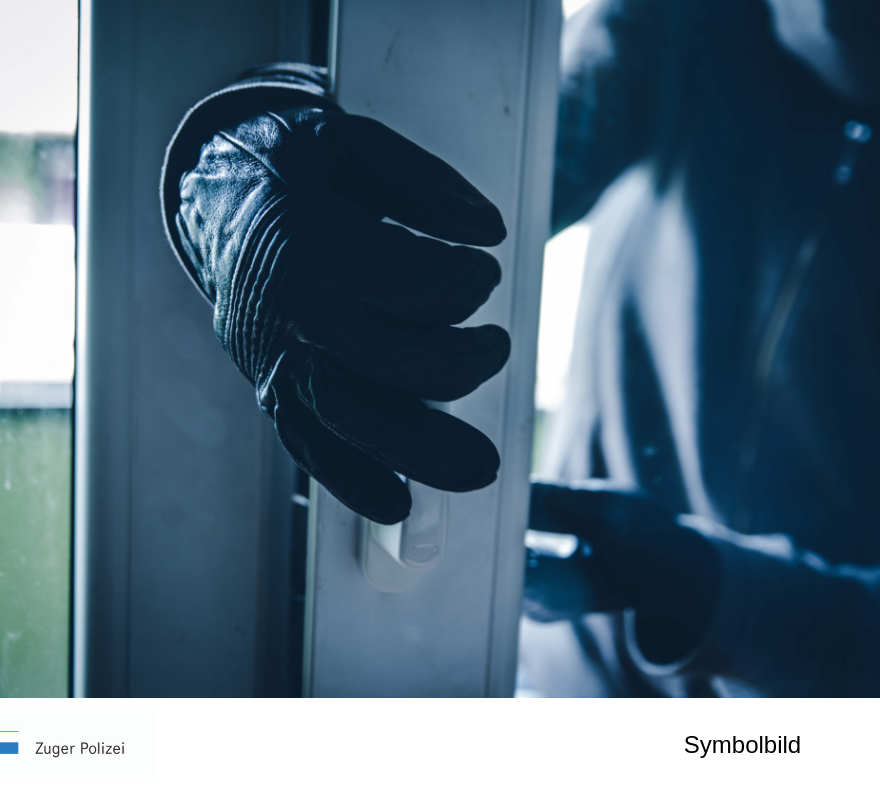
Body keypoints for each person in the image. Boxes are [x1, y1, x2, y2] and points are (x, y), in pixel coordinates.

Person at [161, 0, 879, 696]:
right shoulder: (687, 24)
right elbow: (469, 157)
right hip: (546, 684)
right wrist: (252, 146)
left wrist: (710, 586)